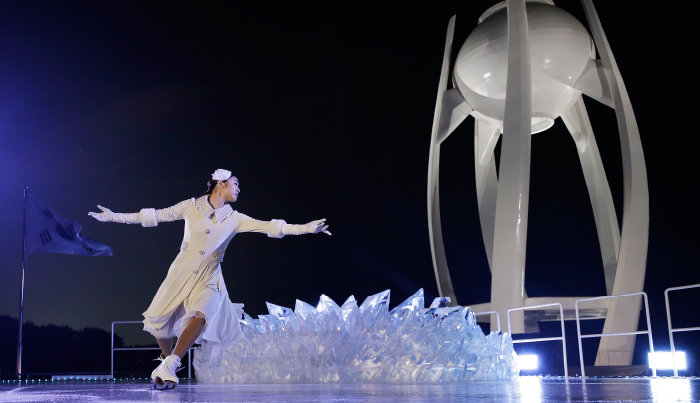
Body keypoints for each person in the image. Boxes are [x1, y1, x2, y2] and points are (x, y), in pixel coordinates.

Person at [88, 168, 330, 389]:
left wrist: (306, 228)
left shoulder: (236, 219)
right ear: (220, 183)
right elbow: (156, 216)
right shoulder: (191, 206)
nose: (238, 188)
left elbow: (269, 227)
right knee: (160, 323)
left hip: (209, 277)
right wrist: (114, 217)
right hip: (180, 272)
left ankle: (171, 364)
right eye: (235, 183)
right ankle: (165, 359)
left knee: (201, 315)